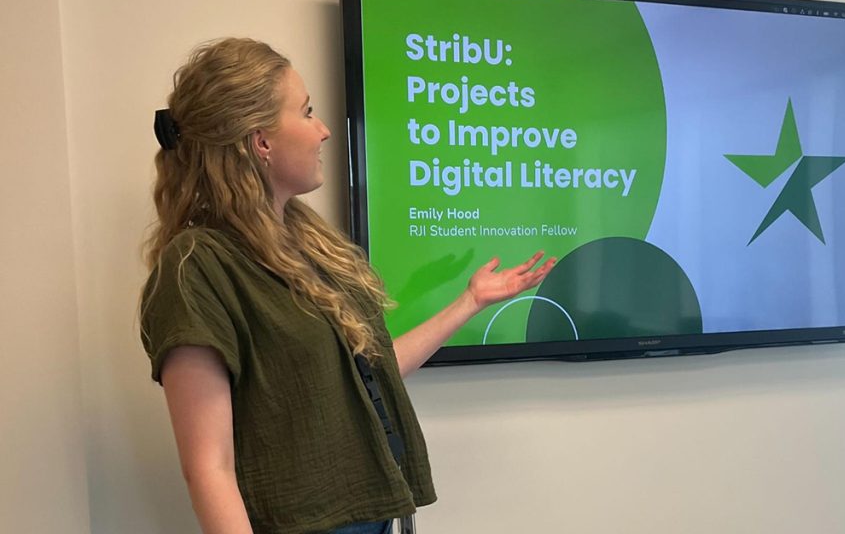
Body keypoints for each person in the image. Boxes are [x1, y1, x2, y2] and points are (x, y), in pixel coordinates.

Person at [140, 37, 554, 534]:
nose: (325, 131)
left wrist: (469, 301)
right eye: (307, 112)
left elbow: (365, 375)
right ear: (260, 141)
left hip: (377, 517)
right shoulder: (196, 267)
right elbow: (209, 469)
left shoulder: (310, 244)